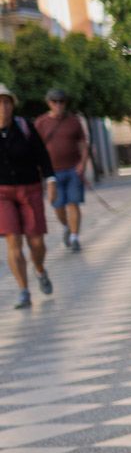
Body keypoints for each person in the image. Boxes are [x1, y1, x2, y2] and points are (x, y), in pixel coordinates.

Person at [0, 84, 54, 310]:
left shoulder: (25, 127)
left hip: (29, 188)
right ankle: (23, 290)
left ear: (12, 105)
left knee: (36, 241)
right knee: (13, 241)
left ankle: (40, 269)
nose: (3, 107)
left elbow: (43, 156)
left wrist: (51, 180)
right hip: (2, 193)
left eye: (6, 102)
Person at [34, 87, 87, 252]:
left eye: (61, 101)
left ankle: (75, 237)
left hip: (73, 170)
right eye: (54, 101)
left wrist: (82, 164)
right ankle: (66, 227)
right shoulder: (41, 122)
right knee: (58, 205)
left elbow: (83, 143)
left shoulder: (74, 121)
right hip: (52, 173)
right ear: (48, 103)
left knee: (73, 203)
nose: (58, 105)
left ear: (65, 103)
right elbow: (35, 147)